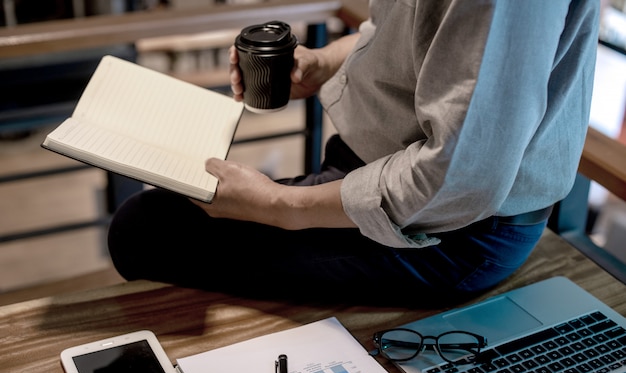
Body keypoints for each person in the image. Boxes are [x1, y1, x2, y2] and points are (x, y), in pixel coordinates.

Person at [107, 1, 600, 307]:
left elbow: (461, 178)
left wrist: (277, 207)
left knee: (145, 230)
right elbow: (398, 30)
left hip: (455, 233)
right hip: (373, 166)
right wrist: (324, 61)